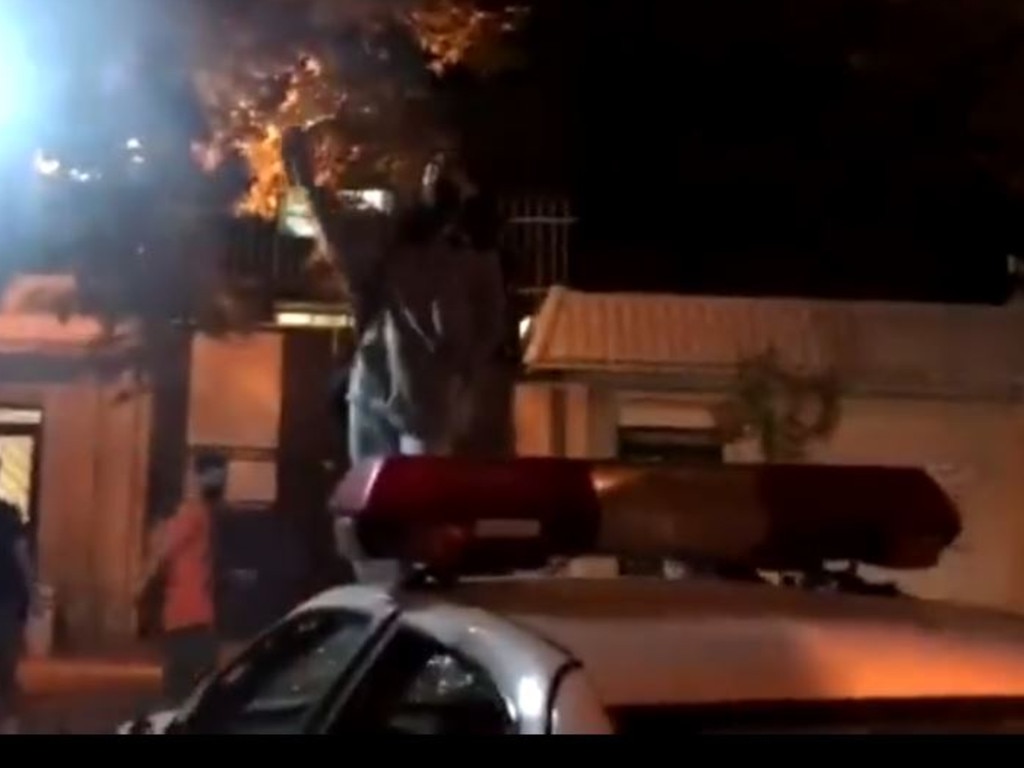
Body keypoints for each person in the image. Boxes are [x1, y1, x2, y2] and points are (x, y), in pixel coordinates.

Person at [138, 452, 223, 704]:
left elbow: (163, 550)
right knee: (195, 693)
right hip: (192, 617)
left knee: (183, 694)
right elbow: (165, 551)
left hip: (187, 616)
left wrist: (141, 585)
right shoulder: (198, 513)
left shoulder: (193, 512)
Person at [0, 471, 37, 735]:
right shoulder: (9, 515)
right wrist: (33, 593)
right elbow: (22, 555)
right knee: (6, 676)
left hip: (8, 604)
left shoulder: (9, 514)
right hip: (9, 604)